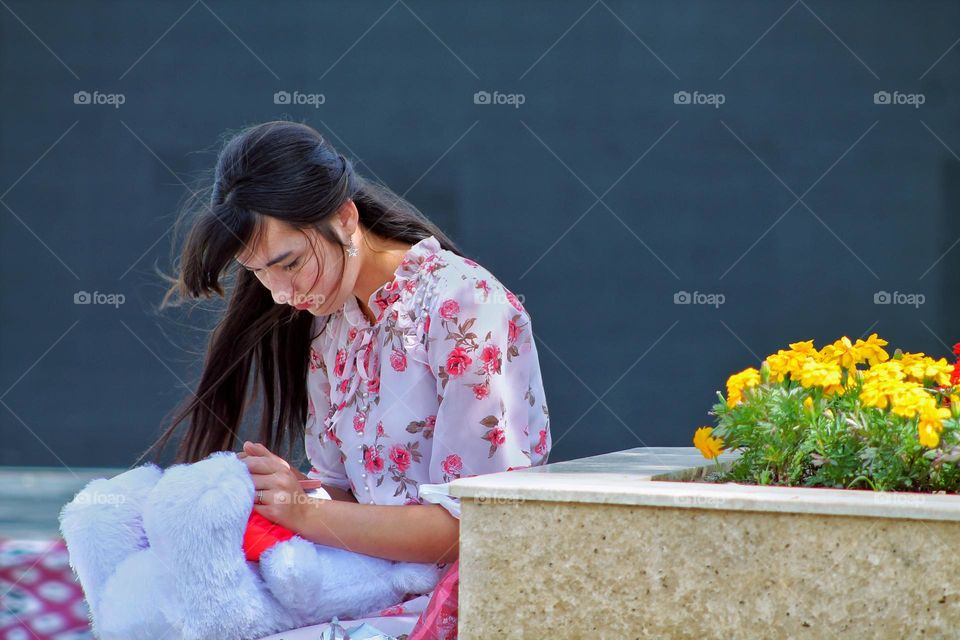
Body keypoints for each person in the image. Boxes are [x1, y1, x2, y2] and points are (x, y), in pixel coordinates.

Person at [150, 120, 552, 635]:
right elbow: (350, 499)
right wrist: (290, 492)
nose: (279, 294)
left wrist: (305, 513)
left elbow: (479, 526)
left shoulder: (465, 307)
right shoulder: (333, 323)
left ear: (344, 218)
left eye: (289, 263)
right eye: (258, 273)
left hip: (464, 607)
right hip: (370, 590)